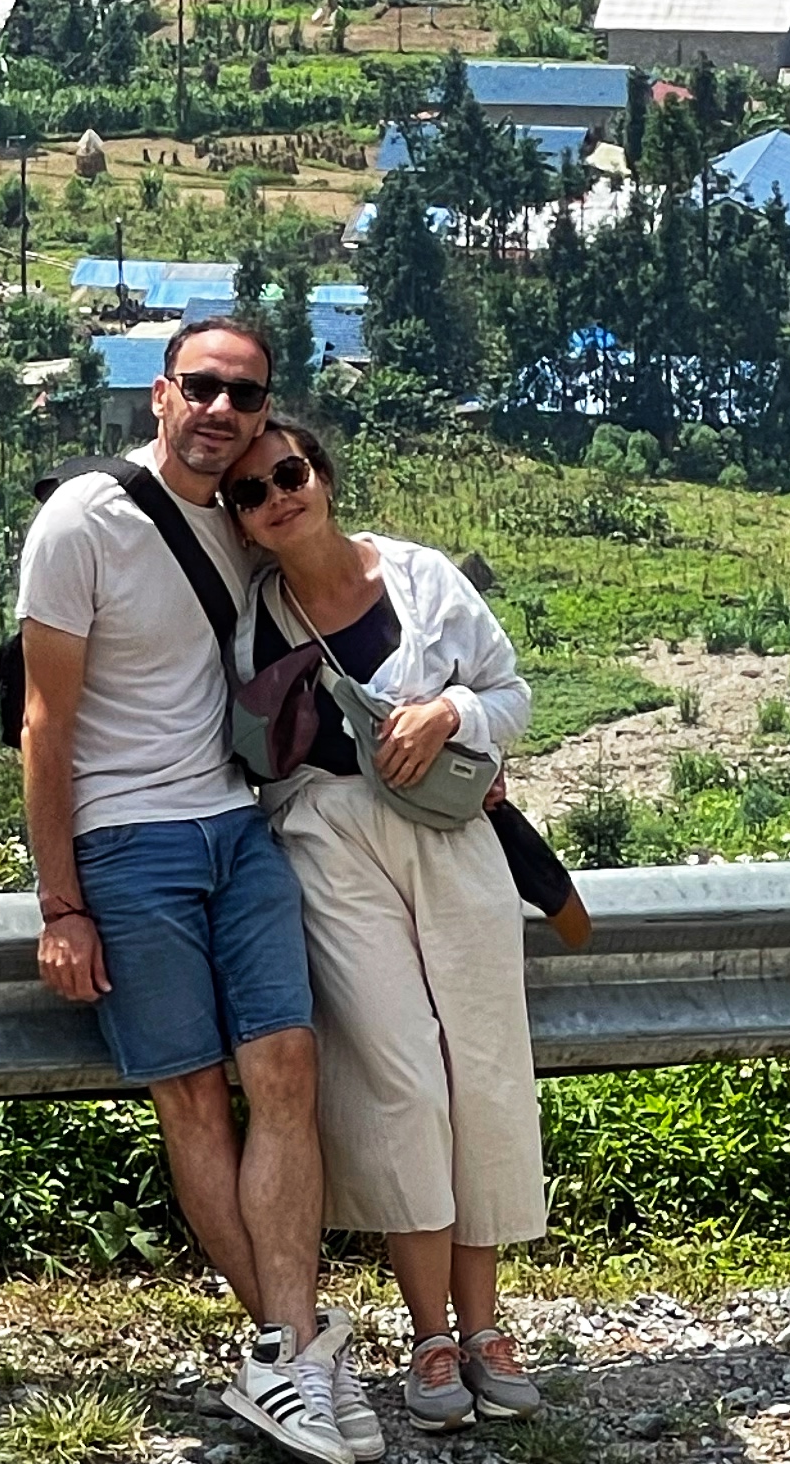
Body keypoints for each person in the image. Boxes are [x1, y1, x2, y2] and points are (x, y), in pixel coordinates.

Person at [17, 319, 365, 1464]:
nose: (223, 410)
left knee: (287, 1069)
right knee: (195, 1098)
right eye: (203, 387)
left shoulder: (247, 519)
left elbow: (343, 582)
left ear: (267, 413)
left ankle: (291, 1356)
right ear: (161, 394)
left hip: (235, 825)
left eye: (246, 394)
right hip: (126, 845)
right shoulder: (82, 521)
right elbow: (45, 722)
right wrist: (60, 905)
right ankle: (290, 1349)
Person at [223, 417, 550, 1433]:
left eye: (290, 472)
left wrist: (451, 714)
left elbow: (510, 692)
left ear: (322, 475)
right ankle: (431, 1335)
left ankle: (487, 1325)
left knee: (482, 1069)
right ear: (240, 519)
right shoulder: (251, 619)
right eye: (250, 491)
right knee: (401, 1075)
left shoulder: (418, 579)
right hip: (326, 842)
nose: (278, 496)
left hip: (450, 835)